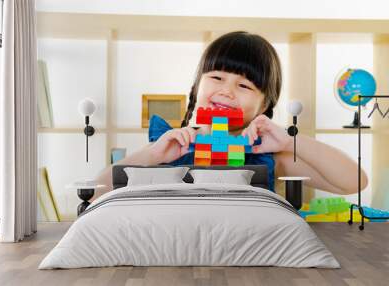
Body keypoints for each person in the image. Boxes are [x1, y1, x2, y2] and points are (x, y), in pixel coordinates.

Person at [94, 31, 368, 200]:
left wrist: (289, 142)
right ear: (196, 88)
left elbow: (354, 182)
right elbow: (96, 189)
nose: (227, 91)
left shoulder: (267, 154)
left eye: (244, 85)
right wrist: (152, 156)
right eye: (216, 77)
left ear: (264, 106)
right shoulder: (169, 147)